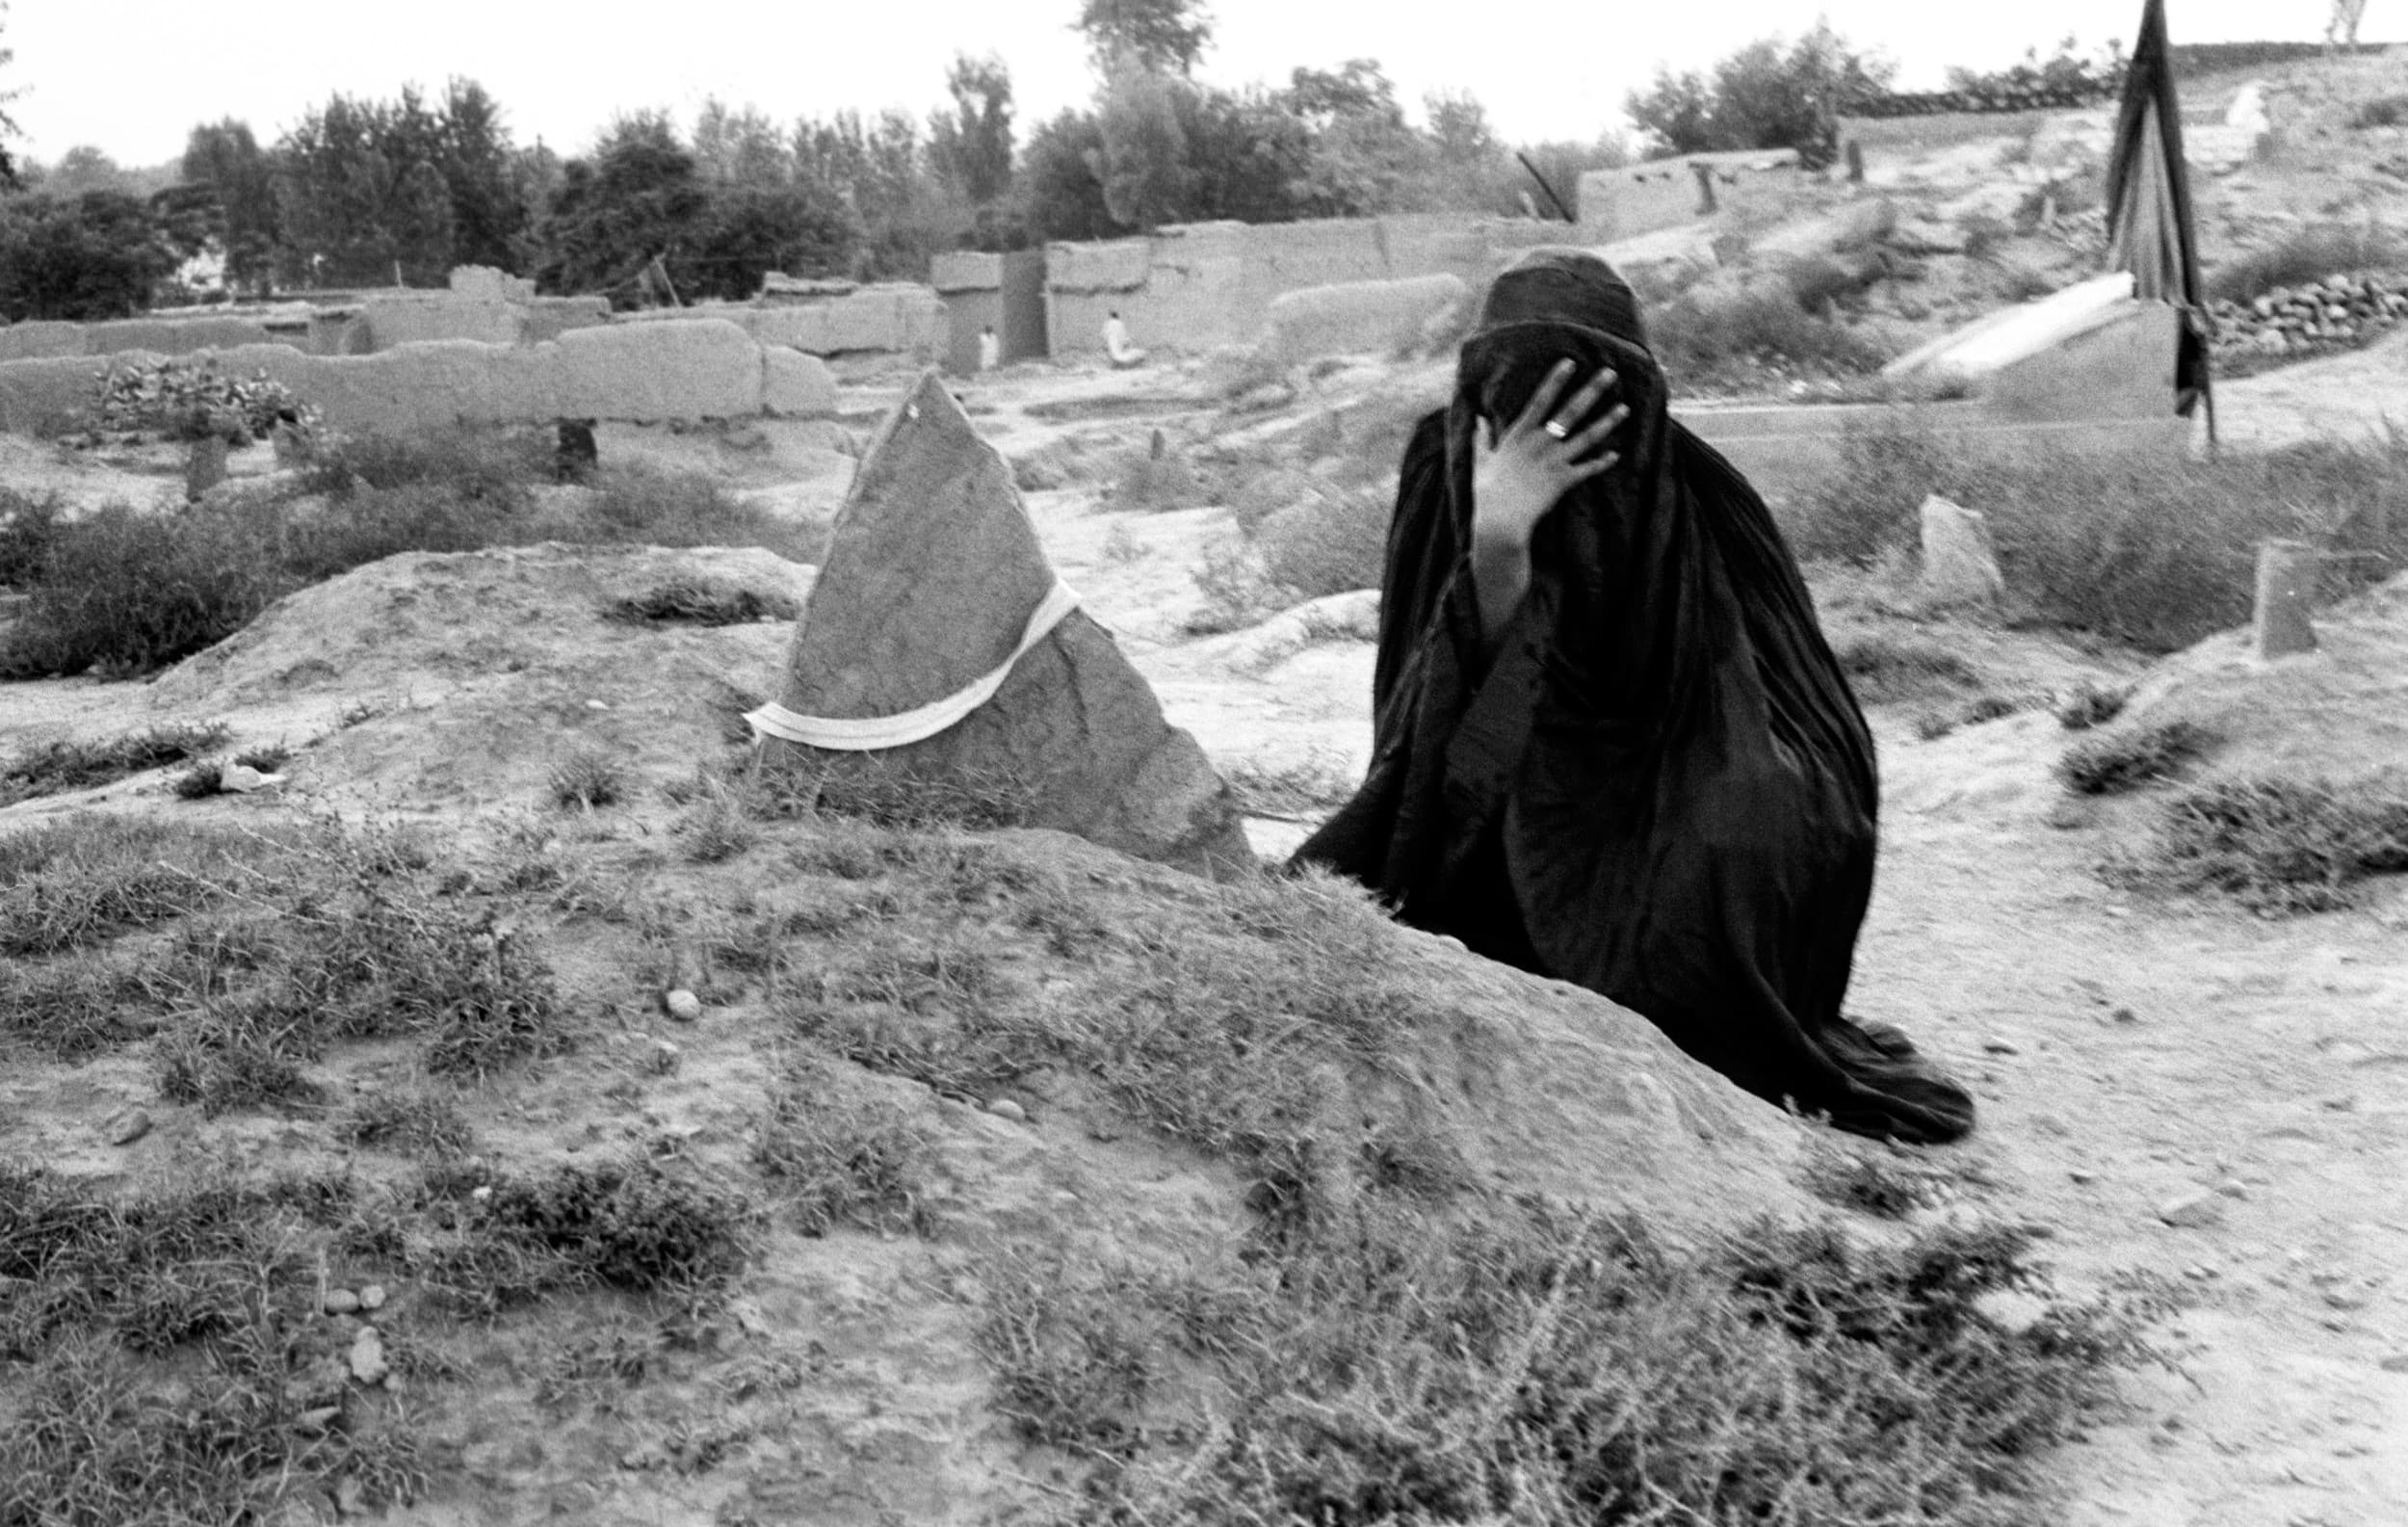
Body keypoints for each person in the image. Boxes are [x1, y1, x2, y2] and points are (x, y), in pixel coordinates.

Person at [1291, 249, 1975, 1145]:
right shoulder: (1442, 465)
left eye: (1586, 399)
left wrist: (1757, 794)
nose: (1550, 426)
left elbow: (1814, 717)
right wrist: (1499, 540)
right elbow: (1431, 725)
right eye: (1520, 394)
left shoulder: (1703, 493)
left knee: (1745, 818)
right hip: (1488, 819)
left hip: (1660, 781)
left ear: (1637, 398)